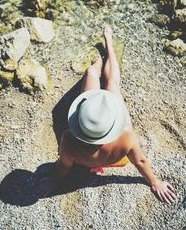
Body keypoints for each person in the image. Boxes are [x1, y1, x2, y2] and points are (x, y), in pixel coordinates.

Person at [50, 25, 177, 204]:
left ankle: (97, 63)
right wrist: (154, 182)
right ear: (113, 123)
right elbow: (139, 161)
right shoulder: (125, 136)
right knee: (112, 85)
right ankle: (108, 42)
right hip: (114, 157)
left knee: (90, 73)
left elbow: (63, 166)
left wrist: (54, 180)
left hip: (86, 161)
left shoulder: (69, 141)